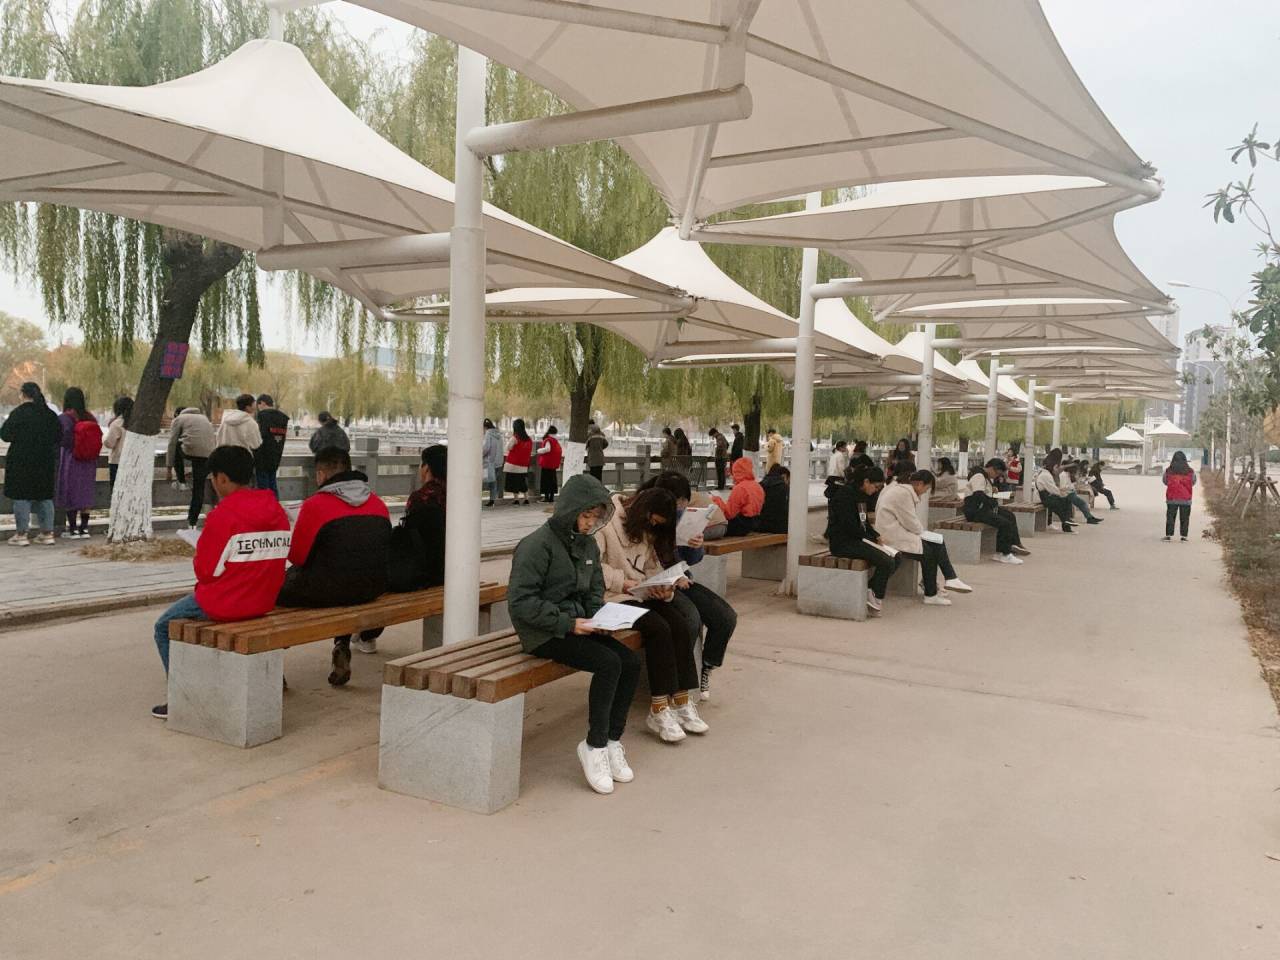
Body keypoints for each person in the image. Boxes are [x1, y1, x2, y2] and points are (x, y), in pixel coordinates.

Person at [507, 473, 638, 795]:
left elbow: (594, 590)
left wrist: (600, 617)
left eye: (596, 517)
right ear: (569, 509)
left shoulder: (587, 543)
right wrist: (568, 623)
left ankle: (612, 739)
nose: (590, 522)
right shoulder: (536, 545)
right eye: (585, 515)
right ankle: (594, 745)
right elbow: (521, 602)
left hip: (579, 624)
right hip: (544, 632)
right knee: (608, 663)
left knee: (630, 662)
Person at [149, 446, 290, 719]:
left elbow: (206, 573)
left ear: (222, 478)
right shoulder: (276, 510)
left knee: (163, 626)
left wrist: (202, 549)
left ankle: (182, 698)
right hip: (264, 599)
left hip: (227, 602)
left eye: (212, 478)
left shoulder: (223, 516)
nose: (212, 483)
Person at [594, 487, 706, 743]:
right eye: (654, 522)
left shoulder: (646, 528)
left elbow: (651, 565)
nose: (653, 527)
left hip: (638, 593)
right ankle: (658, 708)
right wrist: (622, 582)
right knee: (658, 628)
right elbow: (592, 566)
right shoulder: (605, 523)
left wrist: (662, 586)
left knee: (679, 622)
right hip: (610, 596)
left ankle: (681, 701)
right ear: (643, 512)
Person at [276, 447, 391, 687]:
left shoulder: (316, 505)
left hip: (325, 591)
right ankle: (342, 643)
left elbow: (297, 557)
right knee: (347, 572)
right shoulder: (378, 503)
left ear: (320, 474)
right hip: (371, 588)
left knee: (273, 589)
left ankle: (272, 666)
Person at [638, 471, 738, 701]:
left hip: (681, 579)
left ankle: (707, 667)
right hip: (658, 583)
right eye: (678, 504)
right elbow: (647, 562)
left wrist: (695, 544)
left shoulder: (680, 516)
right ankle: (675, 684)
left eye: (684, 503)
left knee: (725, 617)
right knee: (689, 620)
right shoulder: (649, 518)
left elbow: (691, 560)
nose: (681, 508)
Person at [877, 469, 973, 604]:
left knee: (935, 544)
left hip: (894, 533)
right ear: (920, 484)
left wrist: (922, 532)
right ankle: (937, 588)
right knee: (930, 552)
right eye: (927, 489)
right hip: (892, 538)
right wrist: (922, 532)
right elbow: (910, 522)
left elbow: (908, 522)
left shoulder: (900, 490)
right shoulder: (903, 494)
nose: (925, 492)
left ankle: (946, 582)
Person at [824, 465, 897, 616]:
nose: (876, 490)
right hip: (843, 543)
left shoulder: (861, 496)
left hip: (858, 540)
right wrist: (870, 540)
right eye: (876, 486)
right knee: (887, 561)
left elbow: (864, 523)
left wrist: (875, 535)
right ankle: (875, 594)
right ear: (866, 481)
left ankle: (871, 590)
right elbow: (849, 526)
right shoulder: (845, 495)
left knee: (896, 557)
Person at [1, 381, 61, 546]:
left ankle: (21, 534)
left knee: (21, 496)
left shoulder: (18, 413)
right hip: (45, 460)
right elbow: (58, 436)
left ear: (23, 394)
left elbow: (5, 434)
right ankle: (47, 533)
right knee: (45, 496)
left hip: (21, 460)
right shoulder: (49, 414)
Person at [386, 445, 447, 595]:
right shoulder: (457, 493)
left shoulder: (420, 497)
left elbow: (410, 535)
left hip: (426, 573)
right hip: (452, 569)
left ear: (426, 468)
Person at [962, 458, 1030, 564]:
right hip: (975, 511)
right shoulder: (979, 476)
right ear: (991, 468)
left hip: (983, 509)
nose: (996, 476)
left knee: (1010, 515)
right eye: (997, 473)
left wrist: (992, 496)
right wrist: (991, 502)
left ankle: (1013, 543)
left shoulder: (985, 477)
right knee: (1005, 524)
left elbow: (985, 493)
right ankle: (1003, 553)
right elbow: (978, 495)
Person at [55, 387, 100, 539]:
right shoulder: (90, 417)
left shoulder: (65, 418)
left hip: (71, 459)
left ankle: (73, 529)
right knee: (85, 491)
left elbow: (63, 439)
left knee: (70, 491)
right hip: (89, 461)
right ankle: (84, 529)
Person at [167, 407, 217, 528]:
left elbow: (171, 443)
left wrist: (169, 468)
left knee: (177, 445)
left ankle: (181, 481)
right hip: (208, 455)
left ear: (177, 414)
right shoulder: (205, 419)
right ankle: (192, 522)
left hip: (191, 451)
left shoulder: (179, 419)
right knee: (199, 489)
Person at [711, 457, 764, 536]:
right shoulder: (757, 486)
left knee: (713, 526)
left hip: (741, 526)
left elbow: (729, 514)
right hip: (754, 523)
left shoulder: (740, 488)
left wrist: (717, 500)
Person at [253, 394, 290, 497]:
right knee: (273, 486)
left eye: (258, 405)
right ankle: (275, 505)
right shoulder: (283, 418)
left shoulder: (262, 416)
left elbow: (258, 437)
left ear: (262, 403)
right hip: (276, 457)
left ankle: (266, 506)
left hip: (262, 458)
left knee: (263, 489)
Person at [1035, 449, 1076, 532]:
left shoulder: (1046, 471)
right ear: (1054, 467)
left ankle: (1066, 522)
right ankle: (1066, 521)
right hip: (1043, 498)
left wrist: (1062, 492)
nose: (1058, 470)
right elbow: (1054, 490)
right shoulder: (1046, 475)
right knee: (1060, 501)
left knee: (1065, 500)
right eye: (1057, 468)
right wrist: (1063, 493)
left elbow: (1053, 489)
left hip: (1046, 496)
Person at [1162, 450, 1197, 542]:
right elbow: (1193, 481)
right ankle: (1184, 537)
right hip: (1186, 499)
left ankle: (1168, 535)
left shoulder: (1169, 470)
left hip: (1172, 497)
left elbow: (1165, 481)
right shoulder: (1190, 471)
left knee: (1170, 517)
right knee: (1185, 518)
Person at [1059, 458, 1102, 524]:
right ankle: (1089, 518)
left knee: (1083, 502)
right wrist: (1073, 485)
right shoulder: (1063, 475)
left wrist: (1073, 485)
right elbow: (1062, 487)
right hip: (1066, 494)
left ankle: (1090, 517)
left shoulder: (1067, 474)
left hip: (1069, 492)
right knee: (1082, 503)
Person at [103, 396, 133, 488]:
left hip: (117, 462)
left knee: (116, 490)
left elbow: (110, 443)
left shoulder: (117, 423)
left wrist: (103, 438)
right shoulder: (135, 423)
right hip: (132, 462)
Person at [502, 418, 533, 505]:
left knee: (513, 482)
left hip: (513, 464)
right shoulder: (529, 439)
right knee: (522, 482)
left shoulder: (515, 438)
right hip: (523, 465)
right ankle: (526, 499)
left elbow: (508, 448)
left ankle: (516, 500)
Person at [757, 464, 790, 533]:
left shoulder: (760, 485)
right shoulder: (785, 488)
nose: (788, 483)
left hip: (761, 526)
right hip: (781, 528)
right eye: (788, 480)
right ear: (784, 476)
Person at [536, 424, 563, 503]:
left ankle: (546, 498)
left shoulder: (548, 440)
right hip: (553, 464)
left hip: (547, 463)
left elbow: (548, 449)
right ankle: (551, 498)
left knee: (546, 480)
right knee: (552, 481)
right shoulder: (555, 441)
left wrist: (539, 450)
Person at [481, 418, 504, 506]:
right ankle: (492, 500)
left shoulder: (488, 433)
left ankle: (487, 500)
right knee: (494, 481)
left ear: (485, 427)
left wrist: (480, 455)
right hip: (499, 461)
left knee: (487, 481)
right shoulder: (498, 434)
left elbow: (486, 448)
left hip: (490, 461)